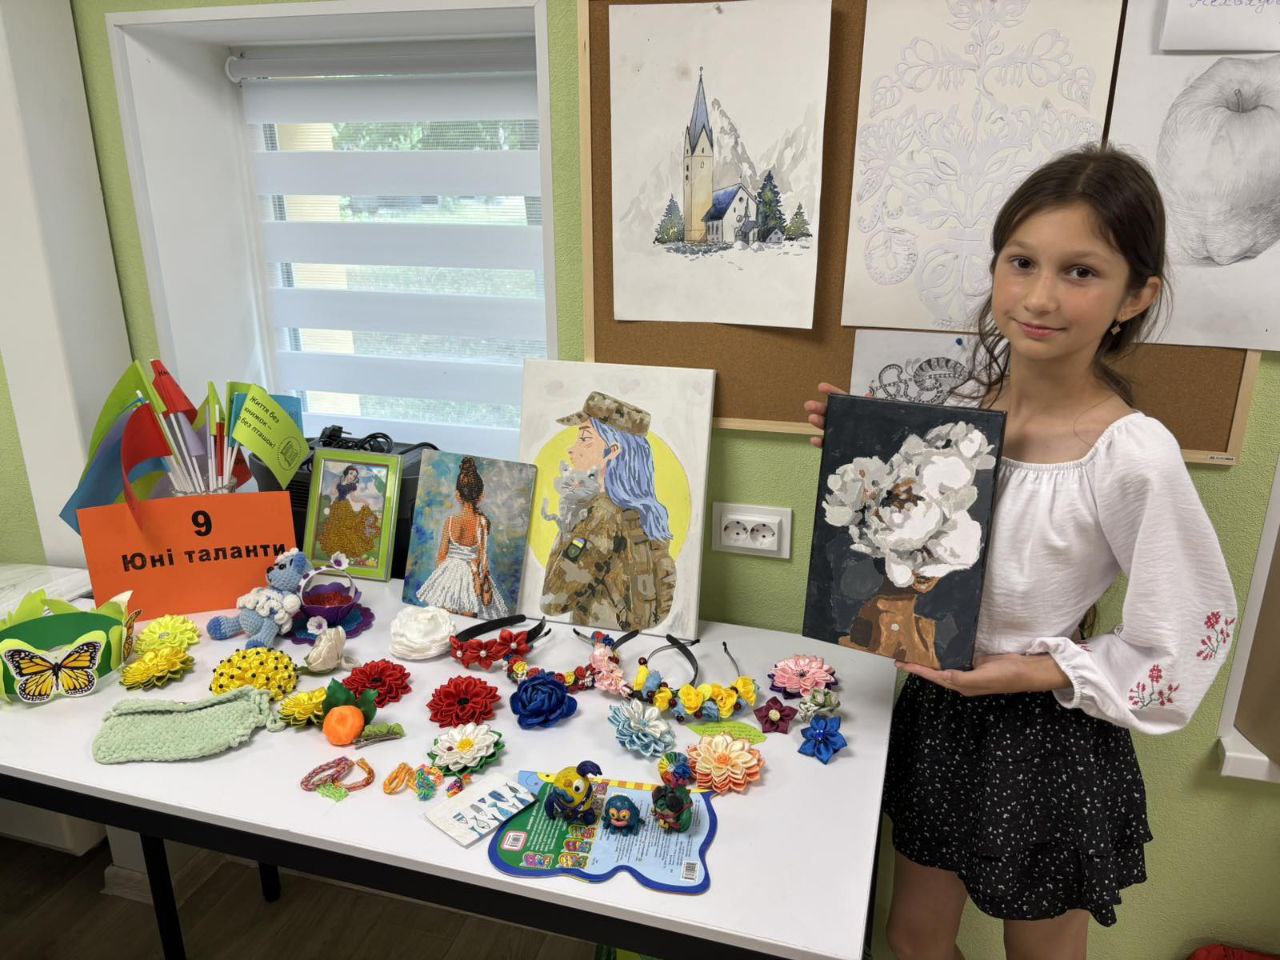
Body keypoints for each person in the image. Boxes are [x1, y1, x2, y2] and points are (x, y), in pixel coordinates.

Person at [804, 145, 1236, 959]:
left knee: (1039, 954)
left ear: (1135, 296)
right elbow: (914, 561)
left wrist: (1035, 671)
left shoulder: (1130, 453)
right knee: (912, 937)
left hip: (1047, 735)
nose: (1039, 296)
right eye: (1022, 261)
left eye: (1081, 272)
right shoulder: (956, 416)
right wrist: (863, 458)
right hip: (939, 709)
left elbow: (1188, 631)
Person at [541, 391, 676, 630]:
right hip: (631, 638)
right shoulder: (643, 514)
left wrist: (568, 522)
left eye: (584, 439)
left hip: (594, 639)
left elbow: (552, 602)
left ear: (613, 451)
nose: (571, 449)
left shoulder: (600, 514)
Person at [415, 456, 508, 618]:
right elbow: (482, 559)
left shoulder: (450, 522)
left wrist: (445, 580)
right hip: (473, 575)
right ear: (481, 496)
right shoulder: (482, 522)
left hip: (449, 573)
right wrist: (478, 578)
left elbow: (441, 557)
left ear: (458, 495)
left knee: (447, 617)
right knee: (469, 616)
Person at [316, 464, 380, 563]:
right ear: (346, 473)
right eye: (351, 473)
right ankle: (336, 547)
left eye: (354, 476)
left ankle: (344, 548)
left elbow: (354, 498)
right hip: (336, 505)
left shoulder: (352, 486)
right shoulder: (338, 480)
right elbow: (333, 492)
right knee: (335, 526)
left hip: (344, 506)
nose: (352, 476)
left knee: (346, 526)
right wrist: (335, 487)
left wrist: (364, 501)